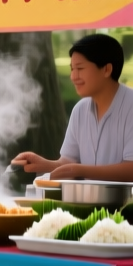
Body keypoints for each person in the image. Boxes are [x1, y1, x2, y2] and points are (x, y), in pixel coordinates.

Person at [13, 34, 133, 181]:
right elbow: (69, 162)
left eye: (80, 68)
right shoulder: (80, 110)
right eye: (72, 69)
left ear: (106, 69)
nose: (73, 76)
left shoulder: (130, 105)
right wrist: (44, 165)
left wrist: (79, 171)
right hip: (85, 201)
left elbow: (130, 169)